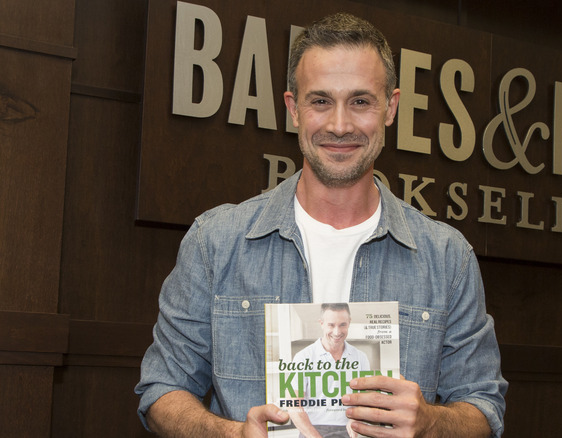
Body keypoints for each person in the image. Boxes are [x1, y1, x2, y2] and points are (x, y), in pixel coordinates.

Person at [135, 12, 507, 438]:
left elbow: (484, 406)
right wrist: (232, 435)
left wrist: (431, 422)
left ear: (391, 107)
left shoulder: (447, 257)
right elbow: (161, 389)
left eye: (361, 101)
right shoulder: (216, 242)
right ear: (294, 108)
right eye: (321, 101)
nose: (340, 125)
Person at [288, 303, 371, 438]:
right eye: (331, 325)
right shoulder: (303, 357)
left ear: (349, 322)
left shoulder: (360, 357)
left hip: (348, 429)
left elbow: (366, 398)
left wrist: (355, 420)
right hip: (312, 430)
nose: (337, 332)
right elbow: (294, 406)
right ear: (321, 324)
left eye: (342, 325)